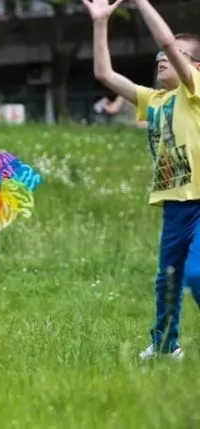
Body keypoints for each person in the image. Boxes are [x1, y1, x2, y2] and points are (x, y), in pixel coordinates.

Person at [82, 0, 200, 360]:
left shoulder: (194, 91)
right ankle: (165, 345)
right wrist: (101, 23)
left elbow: (165, 41)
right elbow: (105, 75)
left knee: (195, 275)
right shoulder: (154, 100)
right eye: (161, 57)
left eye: (176, 55)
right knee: (167, 280)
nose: (163, 59)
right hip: (175, 205)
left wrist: (142, 3)